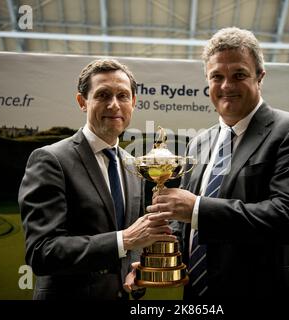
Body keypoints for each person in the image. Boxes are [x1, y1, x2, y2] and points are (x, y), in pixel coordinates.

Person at [145, 27, 289, 299]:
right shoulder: (200, 142)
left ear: (260, 76)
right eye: (217, 76)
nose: (226, 86)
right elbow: (188, 223)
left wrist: (197, 208)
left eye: (238, 75)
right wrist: (161, 260)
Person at [18, 59, 176, 300]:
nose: (114, 105)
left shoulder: (133, 165)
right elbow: (42, 252)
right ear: (83, 102)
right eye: (103, 95)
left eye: (123, 96)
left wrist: (135, 271)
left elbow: (132, 241)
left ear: (133, 103)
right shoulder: (50, 160)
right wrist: (124, 239)